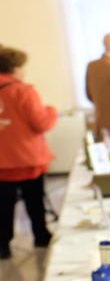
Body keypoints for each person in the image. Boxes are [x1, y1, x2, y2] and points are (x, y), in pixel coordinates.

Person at [0, 45, 57, 259]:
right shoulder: (23, 91)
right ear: (14, 68)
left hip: (2, 162)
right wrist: (52, 111)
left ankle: (3, 244)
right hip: (26, 159)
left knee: (3, 205)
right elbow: (40, 123)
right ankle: (40, 236)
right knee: (34, 200)